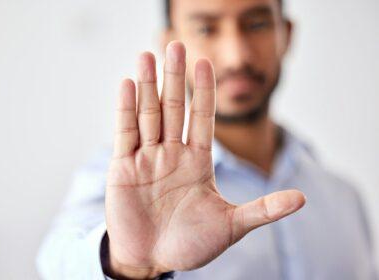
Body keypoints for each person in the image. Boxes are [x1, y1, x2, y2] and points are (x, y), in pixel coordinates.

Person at [37, 0, 377, 279]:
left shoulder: (343, 198)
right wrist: (129, 266)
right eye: (205, 28)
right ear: (170, 41)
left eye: (256, 24)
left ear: (285, 35)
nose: (236, 56)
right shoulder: (124, 181)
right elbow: (56, 260)